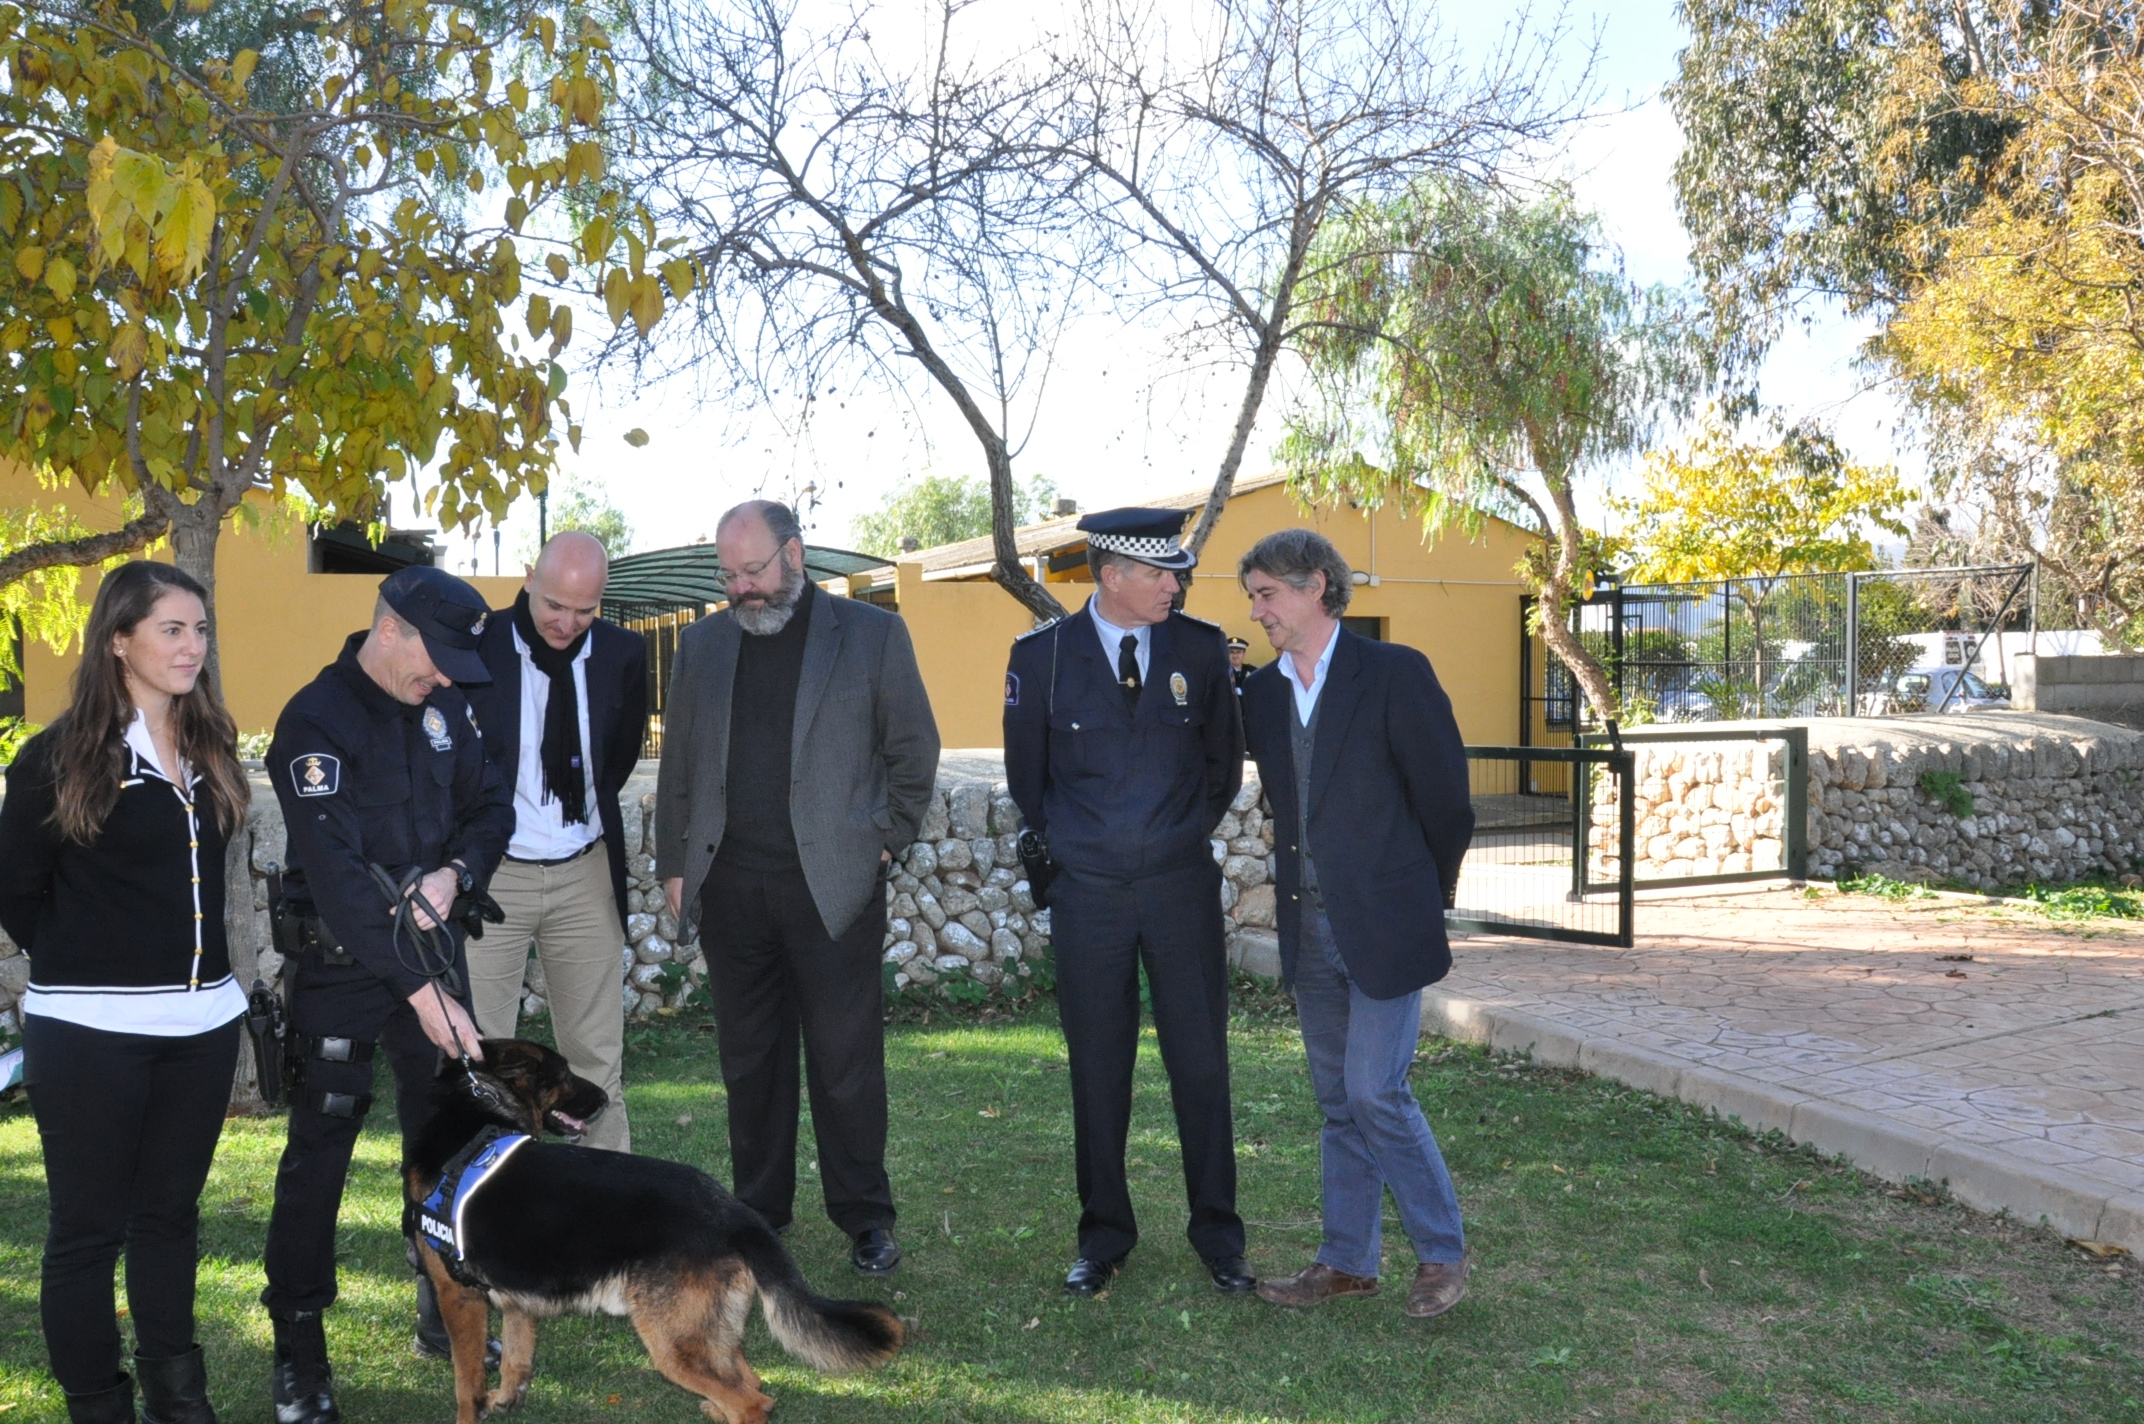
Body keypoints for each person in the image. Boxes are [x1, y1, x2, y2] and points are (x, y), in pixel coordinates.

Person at [655, 500, 938, 1276]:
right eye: (729, 576)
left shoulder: (872, 635)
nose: (741, 589)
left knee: (846, 1063)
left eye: (753, 572)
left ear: (794, 555)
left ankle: (866, 1217)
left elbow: (914, 749)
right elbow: (678, 765)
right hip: (731, 890)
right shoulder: (704, 644)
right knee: (751, 1063)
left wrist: (885, 843)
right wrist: (674, 865)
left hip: (833, 888)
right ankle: (759, 1214)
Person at [259, 564, 514, 1422]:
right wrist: (419, 991)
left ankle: (448, 1313)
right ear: (391, 626)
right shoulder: (314, 720)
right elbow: (337, 879)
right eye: (434, 656)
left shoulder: (446, 711)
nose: (441, 676)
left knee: (451, 1153)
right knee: (318, 1158)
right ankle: (299, 1350)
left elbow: (491, 807)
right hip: (346, 970)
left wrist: (456, 872)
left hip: (435, 960)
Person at [0, 562, 253, 1424]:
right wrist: (92, 964)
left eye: (200, 630)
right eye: (172, 630)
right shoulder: (56, 758)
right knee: (86, 1231)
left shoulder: (212, 746)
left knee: (170, 1218)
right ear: (119, 640)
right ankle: (97, 1408)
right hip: (89, 1032)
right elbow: (18, 892)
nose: (193, 646)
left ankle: (179, 1401)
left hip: (205, 1024)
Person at [1001, 507, 1253, 1298]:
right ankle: (1104, 1236)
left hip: (1180, 887)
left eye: (1175, 573)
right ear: (1112, 576)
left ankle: (1219, 1234)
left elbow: (1223, 765)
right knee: (1098, 1068)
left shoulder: (1203, 649)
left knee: (1201, 1066)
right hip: (1090, 897)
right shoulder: (1040, 658)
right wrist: (1087, 854)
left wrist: (1174, 840)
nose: (1174, 584)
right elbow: (1026, 781)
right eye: (1158, 573)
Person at [1234, 528, 1474, 1320]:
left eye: (1268, 593)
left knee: (1378, 1091)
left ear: (1317, 587)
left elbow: (1446, 801)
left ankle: (1441, 1253)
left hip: (1387, 923)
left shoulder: (1394, 674)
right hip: (1309, 933)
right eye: (1255, 596)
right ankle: (1347, 1261)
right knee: (1338, 1101)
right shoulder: (1264, 697)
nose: (1259, 610)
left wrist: (1421, 897)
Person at [463, 531, 648, 1154]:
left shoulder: (623, 654)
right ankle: (478, 1216)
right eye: (554, 605)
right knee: (480, 1062)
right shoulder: (476, 647)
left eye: (585, 610)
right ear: (527, 579)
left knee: (597, 1061)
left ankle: (608, 1216)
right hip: (494, 875)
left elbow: (615, 761)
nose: (568, 623)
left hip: (585, 870)